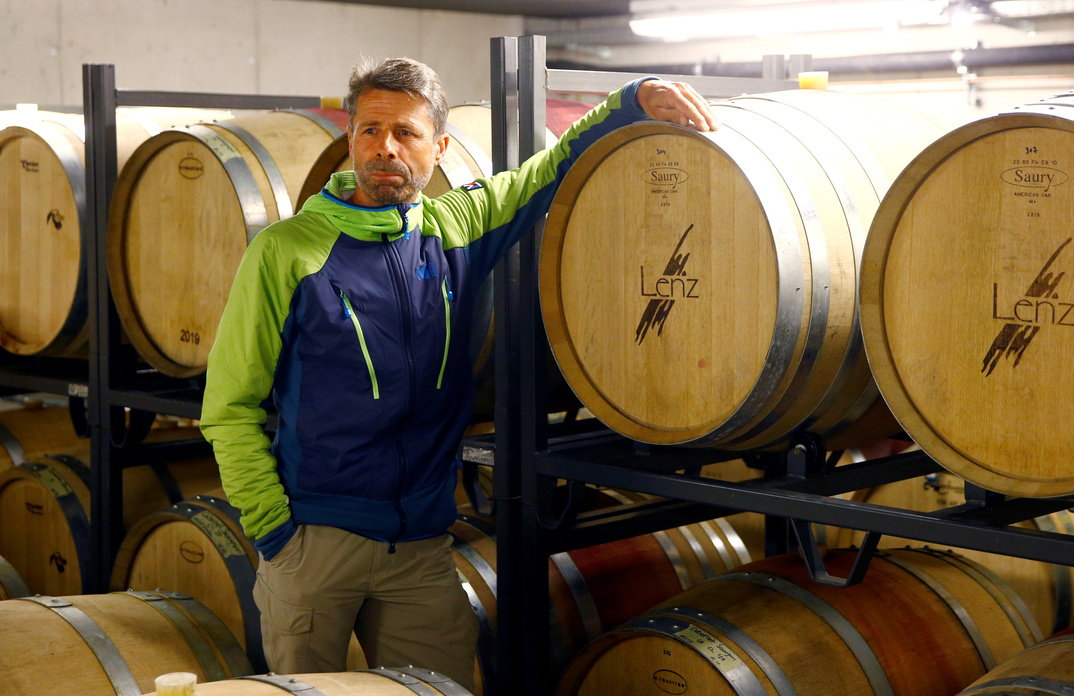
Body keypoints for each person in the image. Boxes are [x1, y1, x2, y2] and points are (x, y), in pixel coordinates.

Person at [199, 56, 718, 686]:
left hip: (420, 547)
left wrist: (633, 99)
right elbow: (229, 405)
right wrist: (275, 529)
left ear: (439, 147)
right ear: (351, 137)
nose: (385, 148)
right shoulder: (286, 251)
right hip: (314, 541)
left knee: (441, 687)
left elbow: (546, 173)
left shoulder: (454, 230)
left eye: (406, 133)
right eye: (370, 130)